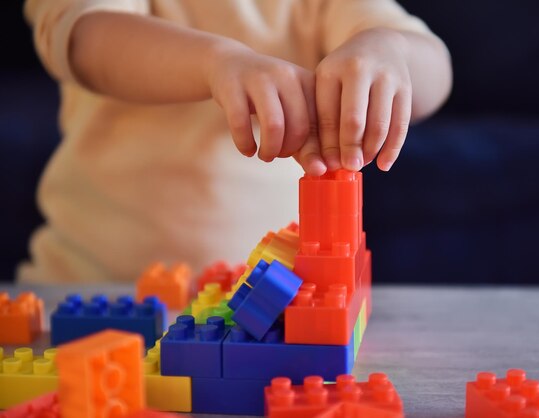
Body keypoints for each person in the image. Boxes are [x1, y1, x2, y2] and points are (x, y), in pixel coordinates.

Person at [20, 0, 452, 284]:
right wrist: (216, 62)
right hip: (91, 281)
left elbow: (435, 66)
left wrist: (390, 49)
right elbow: (82, 38)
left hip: (269, 302)